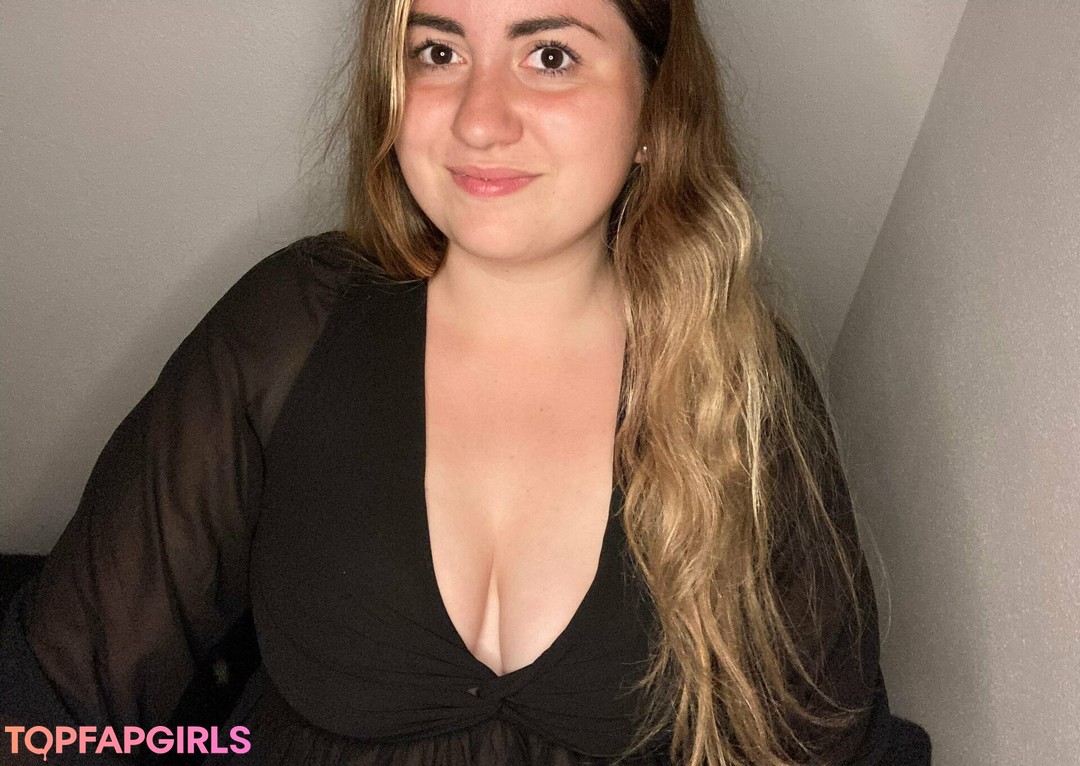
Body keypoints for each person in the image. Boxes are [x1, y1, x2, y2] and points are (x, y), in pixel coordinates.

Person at [0, 0, 928, 763]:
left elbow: (832, 741)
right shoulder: (289, 327)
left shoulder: (742, 382)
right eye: (438, 52)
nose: (479, 119)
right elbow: (58, 695)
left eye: (551, 55)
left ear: (656, 111)